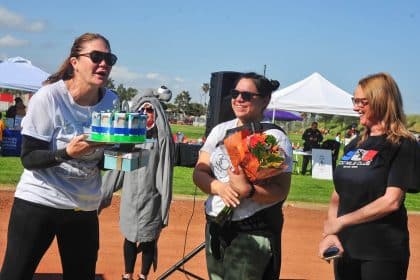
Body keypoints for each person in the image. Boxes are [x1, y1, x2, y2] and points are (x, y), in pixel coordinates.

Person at [0, 32, 119, 280]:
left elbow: (101, 161)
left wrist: (125, 153)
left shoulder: (111, 101)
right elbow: (29, 158)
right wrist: (66, 153)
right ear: (74, 62)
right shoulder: (49, 97)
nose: (104, 64)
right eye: (96, 57)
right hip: (39, 202)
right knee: (15, 275)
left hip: (83, 207)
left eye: (110, 59)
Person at [192, 72, 293, 280]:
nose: (238, 99)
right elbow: (199, 172)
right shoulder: (220, 130)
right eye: (235, 93)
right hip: (216, 226)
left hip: (251, 231)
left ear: (265, 100)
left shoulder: (270, 136)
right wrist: (219, 187)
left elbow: (280, 190)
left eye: (247, 95)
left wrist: (249, 191)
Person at [318, 72, 415, 280]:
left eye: (362, 101)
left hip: (381, 251)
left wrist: (342, 222)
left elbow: (391, 201)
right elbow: (338, 194)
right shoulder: (355, 144)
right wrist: (331, 233)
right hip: (345, 249)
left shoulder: (402, 144)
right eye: (355, 100)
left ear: (381, 101)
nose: (355, 107)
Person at [100, 89, 174, 280]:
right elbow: (117, 167)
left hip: (152, 197)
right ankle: (127, 274)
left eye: (150, 111)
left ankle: (143, 275)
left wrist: (163, 205)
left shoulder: (162, 140)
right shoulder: (131, 138)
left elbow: (164, 173)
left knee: (149, 239)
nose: (146, 114)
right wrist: (101, 195)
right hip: (130, 197)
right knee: (130, 237)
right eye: (143, 110)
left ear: (156, 114)